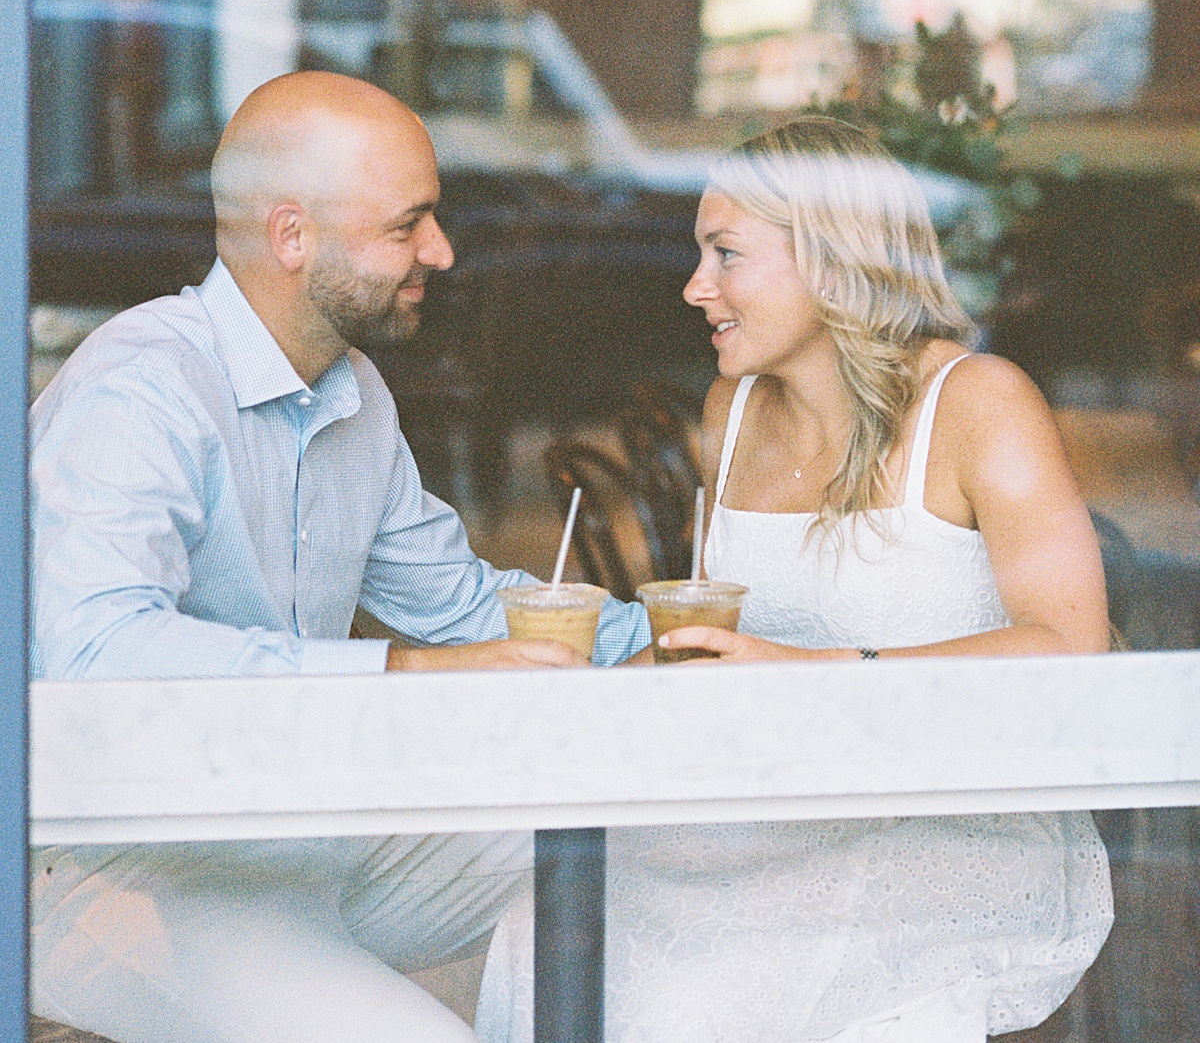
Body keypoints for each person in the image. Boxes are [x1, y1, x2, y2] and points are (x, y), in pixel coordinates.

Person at [29, 70, 648, 1043]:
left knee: (653, 831)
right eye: (410, 224)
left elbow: (464, 603)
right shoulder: (140, 392)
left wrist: (679, 644)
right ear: (291, 238)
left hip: (312, 829)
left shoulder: (353, 389)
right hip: (127, 870)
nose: (441, 251)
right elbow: (96, 662)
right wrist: (412, 676)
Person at [477, 114, 1114, 1043]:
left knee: (695, 989)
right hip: (777, 808)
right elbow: (717, 653)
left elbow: (1070, 648)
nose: (696, 287)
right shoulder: (729, 411)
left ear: (830, 254)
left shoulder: (979, 404)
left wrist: (807, 671)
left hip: (944, 826)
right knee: (546, 922)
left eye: (725, 253)